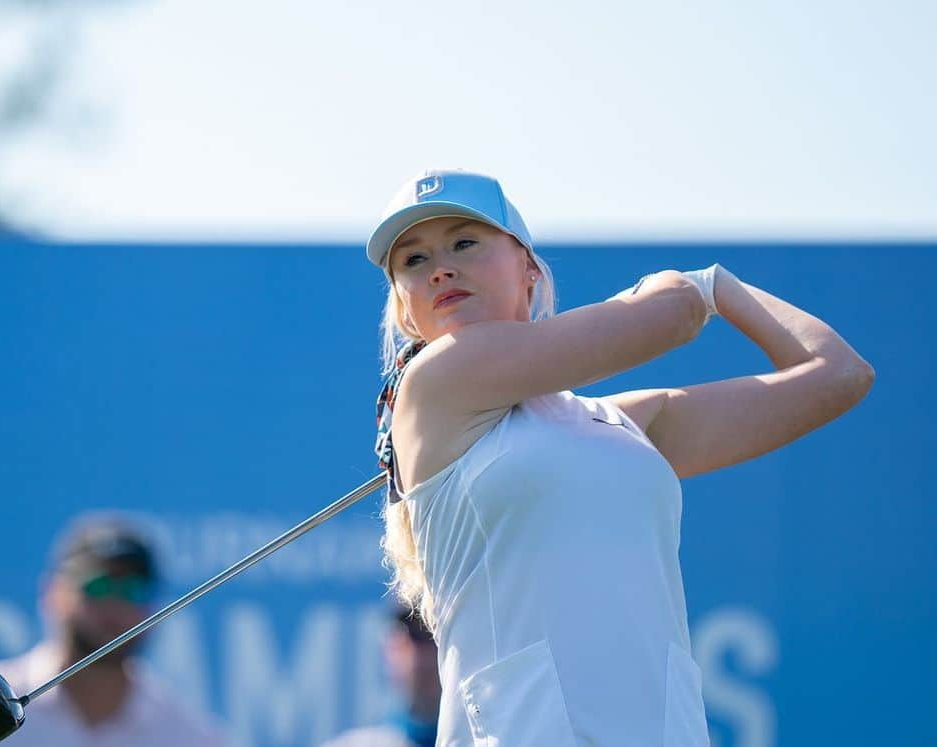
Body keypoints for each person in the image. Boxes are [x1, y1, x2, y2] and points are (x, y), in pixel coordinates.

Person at [368, 168, 875, 746]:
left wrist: (720, 285)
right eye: (413, 260)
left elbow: (839, 375)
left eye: (464, 242)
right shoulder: (435, 380)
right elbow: (671, 315)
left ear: (528, 267)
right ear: (406, 310)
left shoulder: (620, 425)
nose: (440, 267)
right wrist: (694, 288)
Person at [0, 514, 227, 746]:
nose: (114, 604)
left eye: (131, 591)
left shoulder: (191, 737)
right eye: (97, 586)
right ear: (53, 593)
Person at [323, 605, 441, 747]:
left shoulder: (473, 737)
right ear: (389, 650)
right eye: (414, 633)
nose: (423, 654)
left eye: (433, 634)